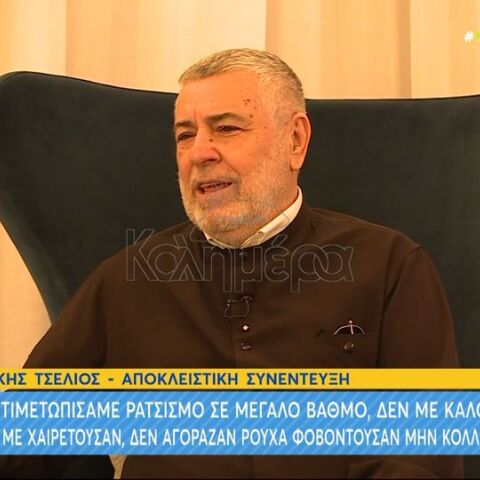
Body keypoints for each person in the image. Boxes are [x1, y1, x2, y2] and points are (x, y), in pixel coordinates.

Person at [0, 49, 462, 478]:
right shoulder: (127, 278)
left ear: (295, 141)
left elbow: (423, 456)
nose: (200, 153)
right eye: (185, 135)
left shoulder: (390, 265)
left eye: (226, 128)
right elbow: (22, 437)